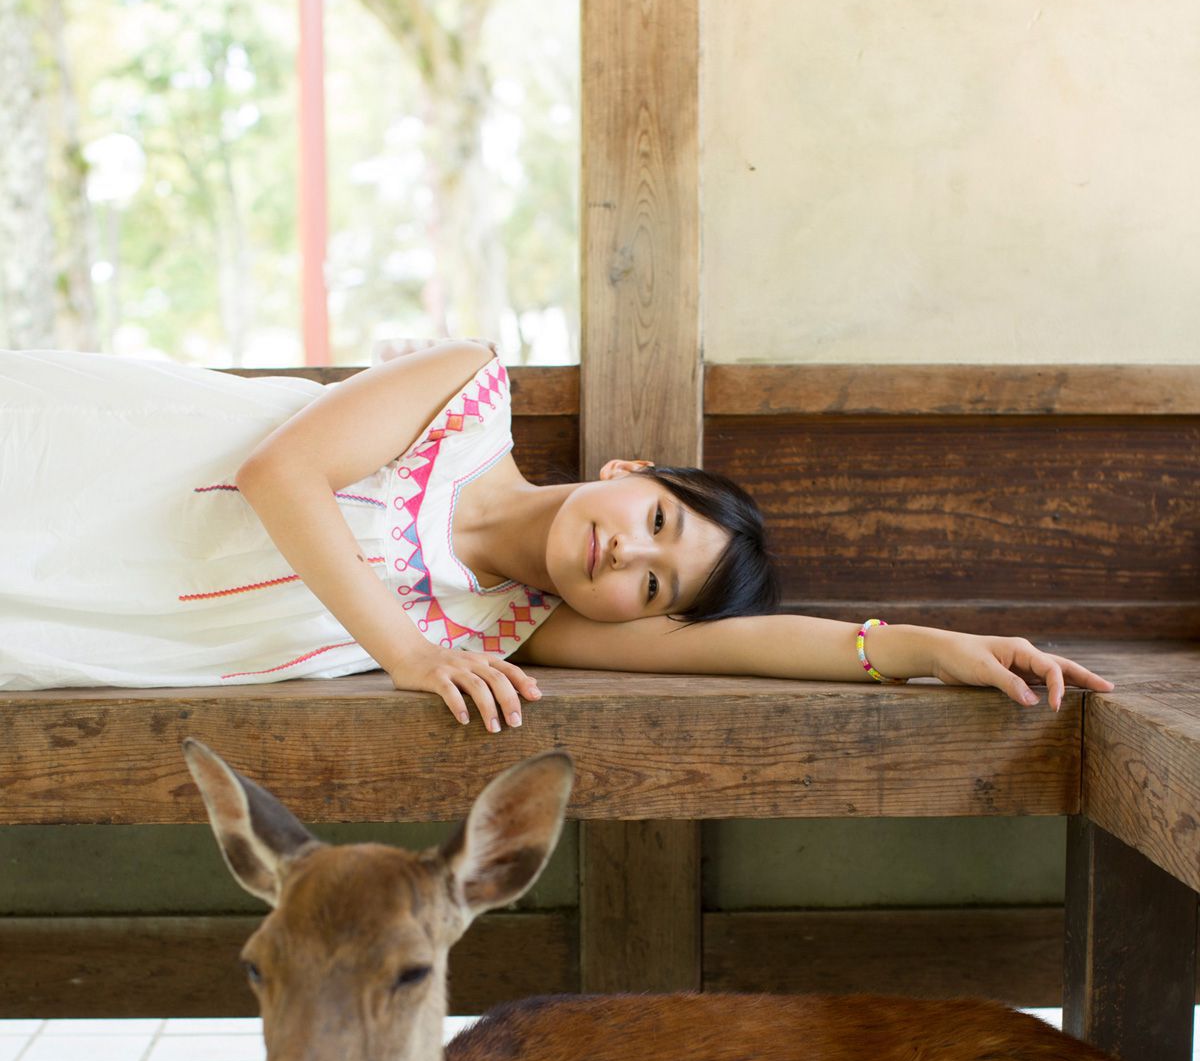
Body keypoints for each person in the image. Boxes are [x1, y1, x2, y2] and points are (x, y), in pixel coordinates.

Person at [0, 339, 1112, 720]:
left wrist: (935, 652)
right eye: (659, 520)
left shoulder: (511, 626)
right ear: (628, 473)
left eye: (656, 586)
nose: (629, 555)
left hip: (85, 619)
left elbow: (751, 647)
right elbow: (279, 470)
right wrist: (410, 656)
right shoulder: (463, 398)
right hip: (87, 465)